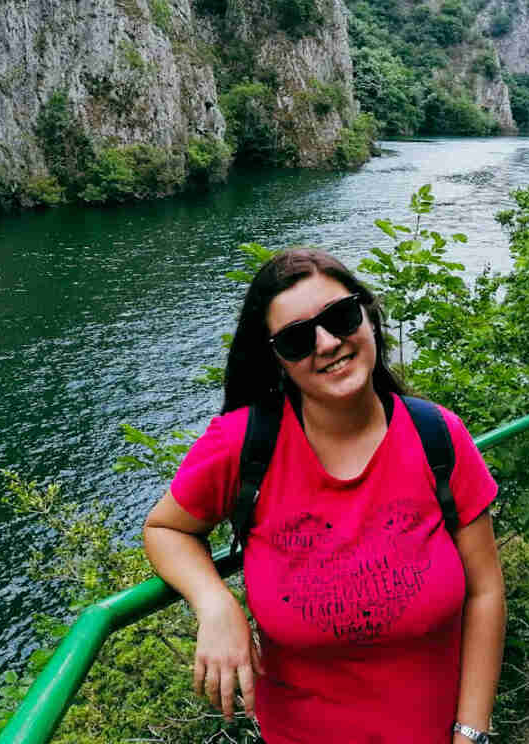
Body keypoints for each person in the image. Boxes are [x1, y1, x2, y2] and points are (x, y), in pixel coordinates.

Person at [143, 247, 506, 744]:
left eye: (340, 316)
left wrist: (471, 732)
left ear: (368, 315)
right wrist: (214, 602)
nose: (328, 342)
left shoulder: (438, 437)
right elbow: (166, 528)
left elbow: (485, 592)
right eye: (296, 339)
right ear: (277, 359)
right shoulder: (243, 444)